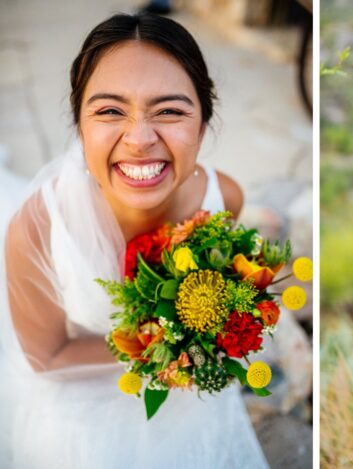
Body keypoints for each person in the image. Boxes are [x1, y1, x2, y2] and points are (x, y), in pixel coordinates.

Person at [0, 13, 268, 467]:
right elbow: (46, 356)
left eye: (169, 111)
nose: (140, 139)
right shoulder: (37, 229)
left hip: (190, 396)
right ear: (79, 124)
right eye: (109, 111)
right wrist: (164, 346)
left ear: (202, 126)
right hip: (77, 398)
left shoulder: (224, 199)